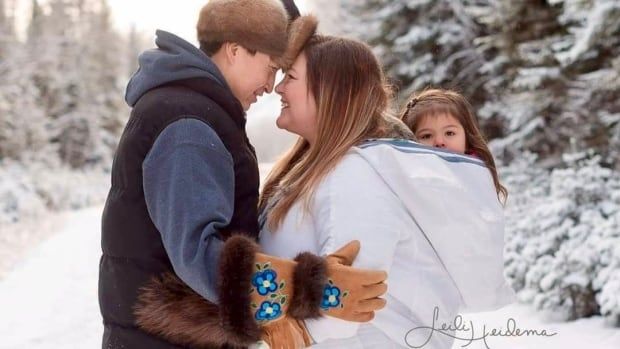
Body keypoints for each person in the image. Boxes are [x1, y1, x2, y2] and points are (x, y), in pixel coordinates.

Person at [98, 1, 387, 348]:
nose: (270, 86)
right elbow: (198, 255)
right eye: (270, 68)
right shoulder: (188, 123)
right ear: (235, 51)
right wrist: (311, 289)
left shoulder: (193, 110)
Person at [257, 35, 516, 348]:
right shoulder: (324, 170)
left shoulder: (355, 173)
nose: (279, 87)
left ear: (330, 92)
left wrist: (282, 334)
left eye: (291, 77)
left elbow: (353, 295)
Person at [400, 88, 508, 202]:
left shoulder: (478, 176)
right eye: (426, 136)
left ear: (467, 138)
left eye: (449, 133)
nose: (439, 142)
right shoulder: (407, 181)